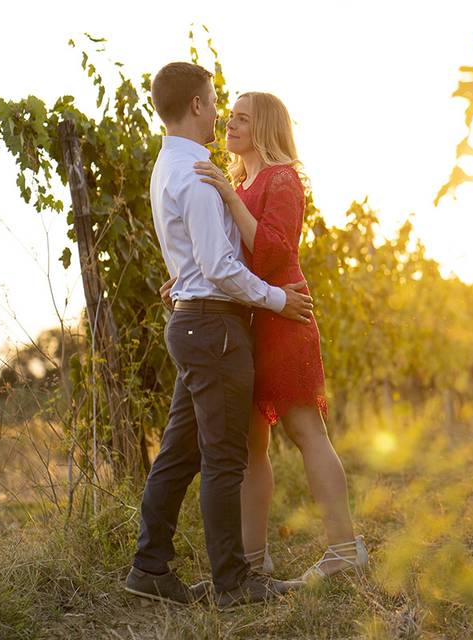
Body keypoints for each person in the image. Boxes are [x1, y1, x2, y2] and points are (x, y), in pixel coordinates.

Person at [125, 62, 313, 610]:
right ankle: (233, 582)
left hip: (191, 320)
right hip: (213, 326)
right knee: (225, 458)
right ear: (198, 106)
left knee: (180, 453)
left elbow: (195, 259)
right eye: (213, 100)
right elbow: (221, 266)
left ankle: (149, 566)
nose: (218, 110)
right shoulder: (200, 175)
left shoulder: (168, 166)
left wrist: (185, 281)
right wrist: (280, 299)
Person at [191, 91, 367, 584]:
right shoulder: (246, 180)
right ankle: (252, 561)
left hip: (283, 319)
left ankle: (344, 549)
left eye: (242, 119)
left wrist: (227, 194)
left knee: (307, 431)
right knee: (252, 448)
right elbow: (229, 255)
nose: (230, 124)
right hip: (248, 320)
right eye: (230, 116)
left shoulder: (282, 178)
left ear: (266, 127)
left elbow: (269, 252)